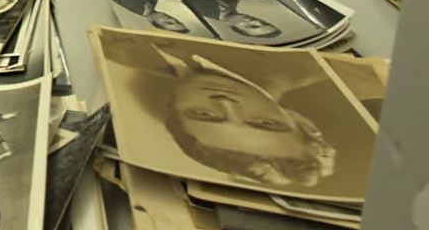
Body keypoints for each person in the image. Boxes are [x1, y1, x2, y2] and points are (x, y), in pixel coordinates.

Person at [100, 33, 336, 189]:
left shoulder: (122, 53)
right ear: (299, 121)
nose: (225, 102)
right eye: (265, 123)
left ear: (173, 108)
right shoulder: (311, 63)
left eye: (205, 115)